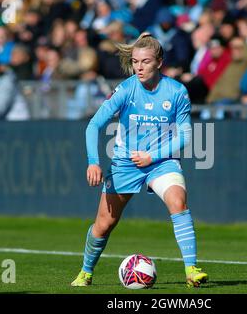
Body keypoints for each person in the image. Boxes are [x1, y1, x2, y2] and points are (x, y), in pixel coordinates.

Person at [71, 33, 209, 288]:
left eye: (145, 61)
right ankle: (85, 272)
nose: (139, 67)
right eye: (135, 62)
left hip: (161, 162)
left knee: (178, 202)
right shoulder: (125, 89)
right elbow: (94, 125)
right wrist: (93, 161)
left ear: (159, 62)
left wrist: (153, 156)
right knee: (104, 224)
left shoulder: (177, 91)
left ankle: (191, 270)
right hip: (126, 163)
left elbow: (186, 135)